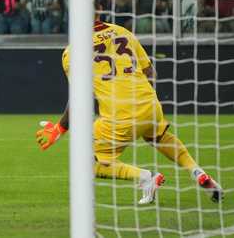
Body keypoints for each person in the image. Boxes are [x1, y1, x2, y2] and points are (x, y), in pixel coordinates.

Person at [37, 12, 224, 205]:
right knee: (160, 137)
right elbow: (151, 72)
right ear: (99, 11)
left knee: (86, 163)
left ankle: (146, 177)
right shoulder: (122, 32)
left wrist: (60, 127)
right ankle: (197, 172)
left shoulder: (72, 52)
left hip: (120, 115)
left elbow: (79, 97)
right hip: (149, 102)